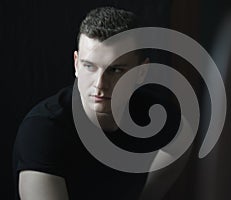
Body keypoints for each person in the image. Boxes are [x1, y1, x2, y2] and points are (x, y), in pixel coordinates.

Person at [13, 6, 189, 200]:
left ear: (141, 72)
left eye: (115, 70)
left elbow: (181, 137)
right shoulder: (44, 130)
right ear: (76, 64)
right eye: (89, 66)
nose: (99, 85)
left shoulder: (156, 115)